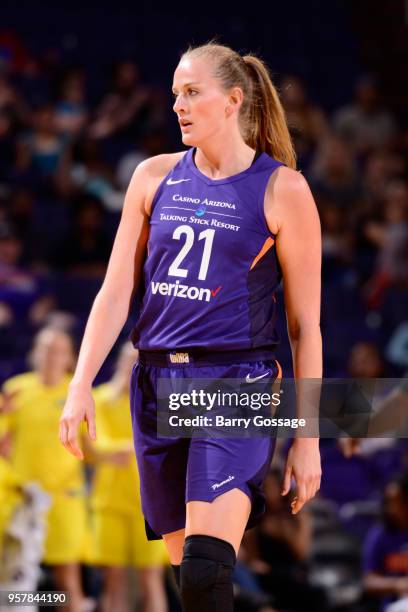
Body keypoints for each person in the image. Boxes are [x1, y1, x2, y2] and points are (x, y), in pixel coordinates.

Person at [59, 42, 322, 611]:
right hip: (156, 386)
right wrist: (79, 384)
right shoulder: (152, 176)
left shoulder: (283, 189)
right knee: (195, 589)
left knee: (206, 570)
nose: (178, 104)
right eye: (176, 93)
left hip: (237, 383)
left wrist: (308, 438)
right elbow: (115, 293)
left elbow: (306, 328)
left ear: (233, 100)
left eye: (192, 92)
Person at [2, 327, 91, 612]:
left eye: (58, 350)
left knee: (67, 580)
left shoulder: (76, 393)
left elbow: (93, 449)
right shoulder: (16, 388)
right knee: (18, 582)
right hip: (22, 500)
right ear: (34, 353)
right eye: (45, 348)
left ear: (69, 357)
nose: (50, 356)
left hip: (63, 500)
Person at [89, 342, 169, 612]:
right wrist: (138, 447)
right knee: (113, 578)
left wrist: (125, 449)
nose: (133, 366)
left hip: (153, 504)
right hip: (110, 502)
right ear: (119, 363)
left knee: (151, 578)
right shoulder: (100, 398)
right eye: (128, 360)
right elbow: (97, 446)